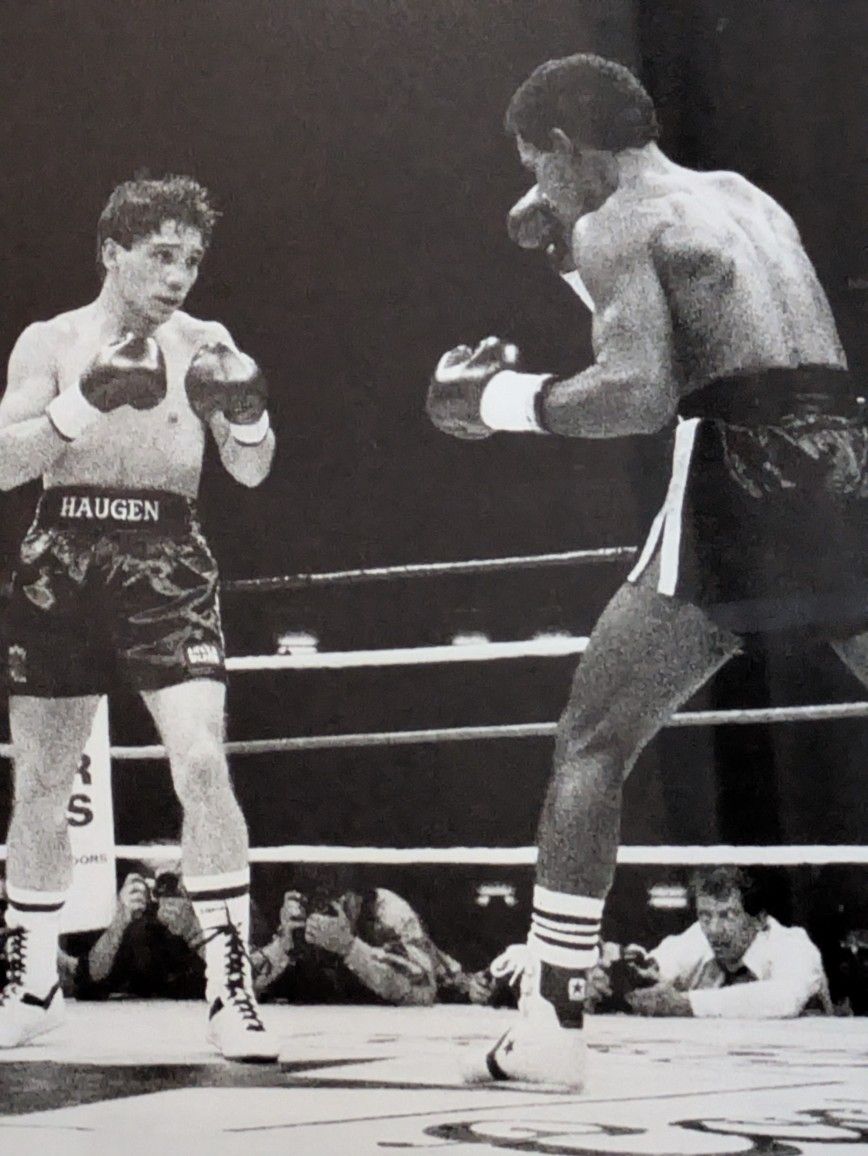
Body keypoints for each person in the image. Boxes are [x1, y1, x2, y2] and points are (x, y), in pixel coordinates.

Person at [426, 53, 865, 1088]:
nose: (539, 186)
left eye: (537, 164)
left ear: (564, 145)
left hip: (740, 473)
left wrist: (492, 403)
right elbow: (704, 314)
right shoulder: (740, 197)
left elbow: (637, 387)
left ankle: (548, 1030)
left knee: (591, 739)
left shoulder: (618, 218)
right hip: (847, 456)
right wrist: (562, 257)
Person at [0, 175, 279, 1061]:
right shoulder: (52, 341)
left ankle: (229, 988)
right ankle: (33, 985)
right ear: (111, 252)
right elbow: (4, 462)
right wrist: (84, 399)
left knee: (201, 761)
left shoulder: (207, 343)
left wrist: (247, 417)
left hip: (167, 557)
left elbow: (252, 471)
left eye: (191, 258)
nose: (179, 276)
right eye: (161, 255)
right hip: (61, 553)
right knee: (42, 784)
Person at [591, 867, 832, 1017]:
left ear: (759, 919)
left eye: (728, 915)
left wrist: (687, 1004)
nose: (714, 930)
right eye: (705, 915)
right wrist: (627, 977)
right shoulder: (699, 935)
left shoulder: (793, 945)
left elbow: (784, 999)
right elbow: (661, 964)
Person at [251, 872, 487, 1006]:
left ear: (357, 895)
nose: (324, 907)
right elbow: (236, 990)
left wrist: (350, 948)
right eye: (316, 896)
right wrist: (282, 948)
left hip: (439, 1002)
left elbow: (423, 990)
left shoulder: (385, 911)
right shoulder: (288, 917)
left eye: (334, 894)